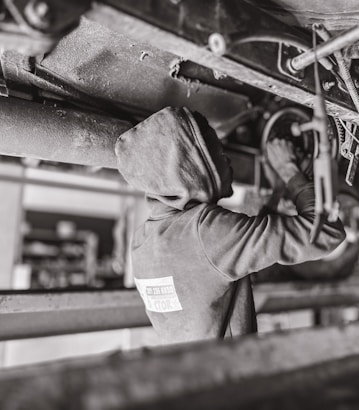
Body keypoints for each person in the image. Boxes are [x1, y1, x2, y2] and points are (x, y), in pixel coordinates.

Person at [115, 106, 346, 344]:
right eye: (215, 152)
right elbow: (326, 233)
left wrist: (278, 190)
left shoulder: (142, 241)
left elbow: (228, 258)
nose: (226, 158)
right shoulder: (204, 232)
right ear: (189, 169)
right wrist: (289, 169)